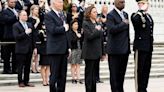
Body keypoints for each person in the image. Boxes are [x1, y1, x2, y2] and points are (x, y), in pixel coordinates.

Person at [44, 0, 70, 92]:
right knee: (54, 74)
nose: (62, 3)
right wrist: (64, 28)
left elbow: (66, 33)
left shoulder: (62, 15)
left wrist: (68, 47)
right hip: (55, 49)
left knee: (63, 75)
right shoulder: (49, 15)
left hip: (63, 49)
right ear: (53, 3)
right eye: (59, 2)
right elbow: (52, 30)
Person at [106, 0, 130, 92]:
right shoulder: (110, 15)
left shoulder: (126, 14)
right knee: (114, 76)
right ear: (115, 2)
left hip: (124, 50)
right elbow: (111, 30)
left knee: (121, 75)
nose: (122, 3)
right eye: (120, 2)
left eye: (123, 2)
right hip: (115, 50)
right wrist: (123, 24)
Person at [131, 0, 154, 92]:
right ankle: (139, 89)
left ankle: (143, 89)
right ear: (139, 4)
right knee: (139, 70)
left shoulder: (148, 16)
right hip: (140, 47)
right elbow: (135, 21)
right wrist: (140, 11)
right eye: (144, 3)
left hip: (148, 47)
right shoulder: (136, 15)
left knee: (146, 70)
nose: (147, 5)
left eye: (146, 4)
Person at [81, 5, 105, 92]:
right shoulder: (85, 23)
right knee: (89, 74)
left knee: (94, 75)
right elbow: (89, 36)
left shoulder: (97, 23)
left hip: (97, 52)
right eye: (94, 12)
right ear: (89, 13)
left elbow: (101, 39)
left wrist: (103, 52)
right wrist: (96, 30)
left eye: (96, 12)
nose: (96, 13)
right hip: (89, 52)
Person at [13, 10, 36, 87]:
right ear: (19, 16)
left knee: (27, 66)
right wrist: (25, 33)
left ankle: (26, 81)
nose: (25, 16)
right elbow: (16, 37)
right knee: (20, 67)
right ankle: (20, 82)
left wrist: (35, 47)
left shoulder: (30, 24)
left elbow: (33, 37)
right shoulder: (16, 25)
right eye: (23, 15)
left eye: (26, 15)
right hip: (20, 49)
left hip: (29, 49)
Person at [2, 0, 18, 74]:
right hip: (8, 36)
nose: (13, 3)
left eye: (14, 2)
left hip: (16, 35)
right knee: (7, 54)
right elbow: (6, 20)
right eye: (11, 2)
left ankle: (15, 69)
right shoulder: (4, 11)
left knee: (15, 54)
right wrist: (15, 16)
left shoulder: (17, 10)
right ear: (8, 3)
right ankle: (6, 69)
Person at [68, 19, 83, 84]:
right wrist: (77, 36)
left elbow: (82, 40)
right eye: (75, 24)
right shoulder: (70, 33)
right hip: (73, 49)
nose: (76, 26)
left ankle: (79, 78)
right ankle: (73, 78)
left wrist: (81, 35)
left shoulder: (79, 31)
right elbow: (72, 41)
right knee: (73, 64)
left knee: (78, 64)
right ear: (71, 25)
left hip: (79, 49)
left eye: (77, 24)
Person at [28, 5, 40, 73]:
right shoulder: (30, 18)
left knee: (37, 54)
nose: (37, 11)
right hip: (32, 37)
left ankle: (36, 67)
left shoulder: (38, 17)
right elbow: (31, 28)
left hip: (37, 36)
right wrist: (37, 22)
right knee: (33, 54)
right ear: (32, 10)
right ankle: (32, 68)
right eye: (35, 9)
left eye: (37, 9)